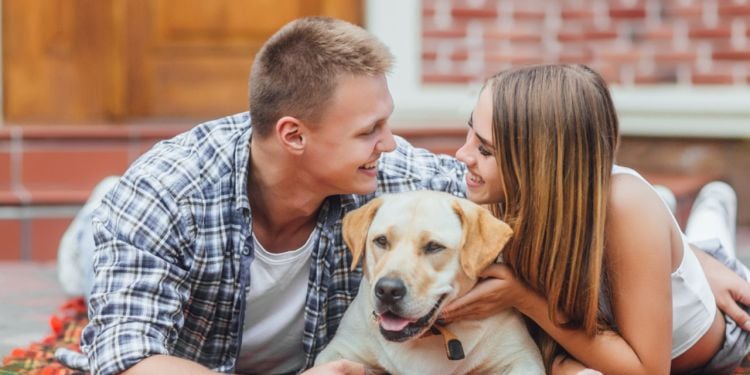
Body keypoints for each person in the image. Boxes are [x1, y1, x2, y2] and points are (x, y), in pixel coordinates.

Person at [55, 17, 466, 374]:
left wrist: (514, 291)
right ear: (293, 135)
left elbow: (502, 208)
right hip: (122, 226)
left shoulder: (393, 180)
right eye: (368, 131)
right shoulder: (164, 195)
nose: (389, 143)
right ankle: (95, 215)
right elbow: (126, 359)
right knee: (93, 262)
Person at [442, 63, 750, 374]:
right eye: (469, 131)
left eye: (485, 149)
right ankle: (692, 222)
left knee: (711, 238)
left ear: (539, 161)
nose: (462, 154)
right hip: (660, 267)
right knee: (689, 241)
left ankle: (715, 204)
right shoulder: (499, 201)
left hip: (726, 336)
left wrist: (525, 299)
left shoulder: (626, 206)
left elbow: (650, 371)